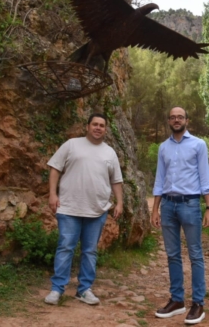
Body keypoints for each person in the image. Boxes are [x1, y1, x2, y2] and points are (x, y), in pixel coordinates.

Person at [44, 113, 123, 306]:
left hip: (97, 210)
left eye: (102, 125)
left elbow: (116, 180)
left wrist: (119, 202)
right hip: (69, 207)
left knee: (90, 251)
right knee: (65, 247)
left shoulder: (109, 152)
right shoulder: (71, 145)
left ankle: (84, 289)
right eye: (95, 124)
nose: (98, 128)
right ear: (87, 126)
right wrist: (52, 194)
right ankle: (57, 289)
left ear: (105, 129)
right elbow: (55, 168)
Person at [151, 106, 209, 325]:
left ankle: (198, 304)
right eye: (172, 117)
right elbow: (160, 179)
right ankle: (177, 301)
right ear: (169, 121)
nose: (176, 120)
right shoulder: (163, 148)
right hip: (168, 205)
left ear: (187, 120)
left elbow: (205, 176)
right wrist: (155, 208)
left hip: (190, 204)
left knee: (195, 254)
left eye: (180, 117)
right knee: (172, 254)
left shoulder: (199, 144)